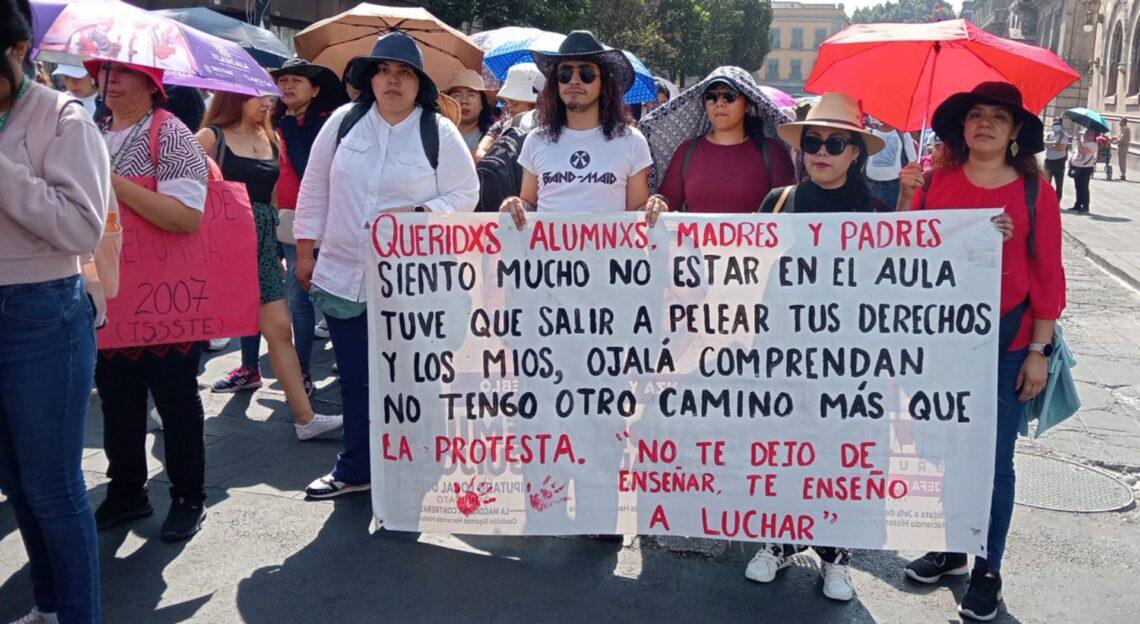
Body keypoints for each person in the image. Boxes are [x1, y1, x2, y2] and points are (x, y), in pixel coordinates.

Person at [897, 81, 1064, 622]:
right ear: (962, 128)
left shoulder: (1036, 193)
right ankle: (953, 548)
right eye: (975, 115)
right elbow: (903, 252)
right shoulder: (933, 181)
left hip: (1009, 344)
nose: (985, 123)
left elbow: (1048, 275)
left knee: (993, 460)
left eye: (998, 117)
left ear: (1015, 132)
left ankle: (987, 566)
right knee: (947, 447)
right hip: (942, 341)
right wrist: (906, 196)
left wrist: (1039, 349)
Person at [295, 32, 478, 499]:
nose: (392, 80)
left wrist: (418, 214)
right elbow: (314, 187)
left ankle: (423, 469)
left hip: (412, 284)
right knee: (356, 380)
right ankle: (355, 468)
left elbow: (466, 193)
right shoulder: (343, 123)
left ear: (419, 83)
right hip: (344, 275)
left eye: (403, 73)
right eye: (383, 71)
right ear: (370, 78)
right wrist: (305, 250)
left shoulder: (438, 132)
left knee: (417, 380)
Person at [742, 92, 886, 603]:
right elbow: (741, 269)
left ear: (855, 153)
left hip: (846, 359)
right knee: (782, 446)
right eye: (812, 142)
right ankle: (778, 541)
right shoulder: (777, 201)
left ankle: (836, 554)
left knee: (836, 454)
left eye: (834, 143)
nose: (821, 151)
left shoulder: (875, 211)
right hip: (780, 350)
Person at [0, 1, 110, 620]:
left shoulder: (64, 118)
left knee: (51, 487)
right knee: (15, 481)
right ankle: (48, 606)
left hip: (40, 312)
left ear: (19, 52)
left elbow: (80, 228)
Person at [83, 58, 211, 544]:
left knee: (176, 401)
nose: (110, 80)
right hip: (110, 293)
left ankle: (188, 497)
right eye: (104, 71)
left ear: (151, 82)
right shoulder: (94, 131)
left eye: (122, 72)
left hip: (165, 300)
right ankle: (126, 491)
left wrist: (112, 182)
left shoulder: (170, 133)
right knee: (117, 400)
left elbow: (186, 217)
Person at [195, 92, 343, 441]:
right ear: (235, 99)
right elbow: (183, 189)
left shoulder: (271, 138)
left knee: (278, 329)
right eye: (257, 98)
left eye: (268, 98)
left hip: (260, 241)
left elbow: (272, 200)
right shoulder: (211, 137)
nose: (267, 104)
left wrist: (274, 249)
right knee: (194, 326)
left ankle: (305, 419)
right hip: (218, 241)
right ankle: (171, 404)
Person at [211, 59, 347, 396]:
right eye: (281, 81)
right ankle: (250, 367)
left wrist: (286, 128)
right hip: (272, 222)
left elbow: (307, 168)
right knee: (255, 295)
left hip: (313, 224)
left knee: (304, 299)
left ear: (315, 89)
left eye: (295, 81)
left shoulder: (325, 124)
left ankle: (304, 372)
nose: (286, 87)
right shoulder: (267, 123)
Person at [500, 30, 667, 227]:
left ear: (604, 82)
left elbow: (637, 213)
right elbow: (528, 204)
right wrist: (514, 205)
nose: (574, 80)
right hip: (547, 247)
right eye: (565, 74)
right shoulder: (536, 139)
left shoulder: (631, 140)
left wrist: (654, 208)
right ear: (556, 82)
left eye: (586, 73)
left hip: (610, 248)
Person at [651, 66, 795, 213]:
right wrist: (659, 204)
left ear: (748, 103)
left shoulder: (772, 152)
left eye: (729, 96)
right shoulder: (686, 151)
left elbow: (787, 209)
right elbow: (668, 202)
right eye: (711, 96)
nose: (719, 103)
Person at [474, 61, 541, 160]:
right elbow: (481, 149)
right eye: (506, 102)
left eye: (514, 103)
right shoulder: (503, 123)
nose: (509, 107)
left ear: (534, 104)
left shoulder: (545, 130)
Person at [865, 117, 917, 210]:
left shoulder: (903, 134)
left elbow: (912, 161)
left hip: (895, 187)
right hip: (870, 186)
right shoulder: (868, 133)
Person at [443, 68, 495, 155]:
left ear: (482, 104)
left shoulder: (491, 138)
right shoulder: (436, 132)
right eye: (457, 95)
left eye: (471, 95)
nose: (464, 101)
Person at [1068, 127, 1097, 213]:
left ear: (1093, 136)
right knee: (1078, 186)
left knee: (1084, 187)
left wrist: (1078, 141)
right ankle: (1078, 205)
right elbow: (1076, 152)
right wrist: (1071, 159)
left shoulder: (1092, 144)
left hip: (1086, 168)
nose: (1087, 136)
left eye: (1090, 134)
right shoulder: (1083, 142)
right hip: (1077, 166)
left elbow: (1083, 151)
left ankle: (1085, 206)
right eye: (1086, 134)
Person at [1043, 117, 1069, 199]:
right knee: (1046, 182)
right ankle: (1046, 199)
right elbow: (1044, 142)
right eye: (1055, 124)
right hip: (1048, 161)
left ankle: (1057, 200)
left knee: (1059, 183)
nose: (1057, 126)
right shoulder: (1049, 134)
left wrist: (1050, 146)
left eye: (1058, 124)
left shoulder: (1064, 136)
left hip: (1059, 162)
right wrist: (1054, 143)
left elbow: (1061, 147)